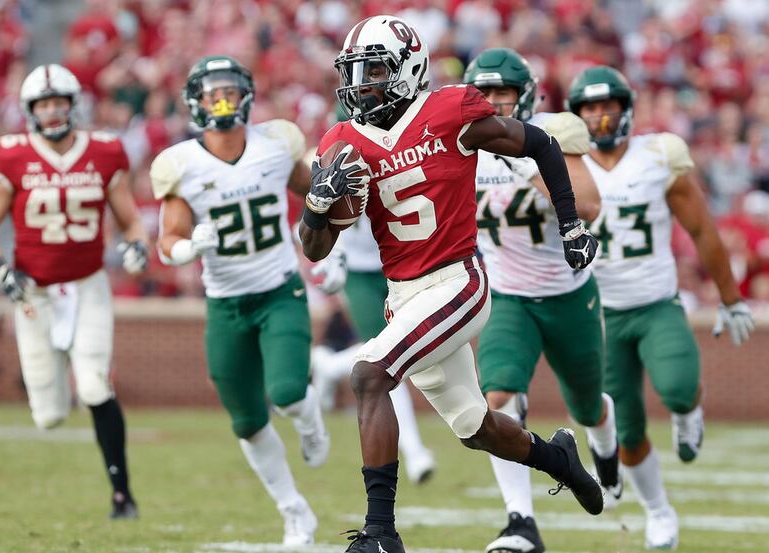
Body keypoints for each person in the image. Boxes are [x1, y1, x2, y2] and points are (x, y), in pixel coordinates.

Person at [299, 16, 602, 553]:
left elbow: (541, 144)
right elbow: (315, 247)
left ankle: (380, 534)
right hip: (404, 296)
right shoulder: (342, 141)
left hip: (458, 282)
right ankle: (560, 460)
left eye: (374, 70)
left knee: (370, 375)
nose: (361, 83)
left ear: (408, 69)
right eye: (355, 72)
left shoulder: (449, 111)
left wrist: (571, 223)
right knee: (476, 427)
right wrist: (317, 209)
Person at [566, 65, 755, 550]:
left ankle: (689, 411)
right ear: (576, 115)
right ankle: (659, 512)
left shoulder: (658, 155)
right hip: (599, 316)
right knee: (625, 430)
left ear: (626, 108)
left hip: (655, 304)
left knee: (676, 388)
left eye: (608, 105)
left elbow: (702, 230)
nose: (600, 117)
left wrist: (731, 298)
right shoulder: (564, 164)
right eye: (590, 108)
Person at [150, 55, 328, 546]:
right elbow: (168, 238)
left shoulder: (275, 145)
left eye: (230, 89)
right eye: (212, 93)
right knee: (248, 422)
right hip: (226, 303)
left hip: (278, 291)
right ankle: (295, 511)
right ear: (195, 103)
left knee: (290, 392)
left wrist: (328, 252)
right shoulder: (181, 165)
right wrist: (188, 248)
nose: (222, 100)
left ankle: (311, 420)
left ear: (248, 94)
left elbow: (318, 195)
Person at [0, 64, 147, 519]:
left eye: (59, 103)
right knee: (47, 413)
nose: (52, 112)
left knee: (93, 386)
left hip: (87, 284)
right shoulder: (10, 155)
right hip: (34, 291)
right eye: (43, 104)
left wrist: (136, 246)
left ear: (74, 105)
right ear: (31, 111)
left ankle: (122, 496)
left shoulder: (105, 151)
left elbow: (129, 219)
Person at [464, 48, 620, 553]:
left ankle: (605, 445)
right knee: (497, 399)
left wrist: (523, 166)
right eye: (483, 94)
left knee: (586, 405)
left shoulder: (549, 135)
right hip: (508, 295)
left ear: (524, 97)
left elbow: (590, 205)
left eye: (502, 94)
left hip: (568, 295)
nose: (492, 103)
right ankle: (520, 522)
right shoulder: (459, 145)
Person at [310, 212, 437, 485]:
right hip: (361, 271)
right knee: (387, 360)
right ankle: (414, 452)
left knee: (409, 348)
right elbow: (320, 204)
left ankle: (330, 366)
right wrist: (331, 255)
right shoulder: (338, 166)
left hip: (407, 263)